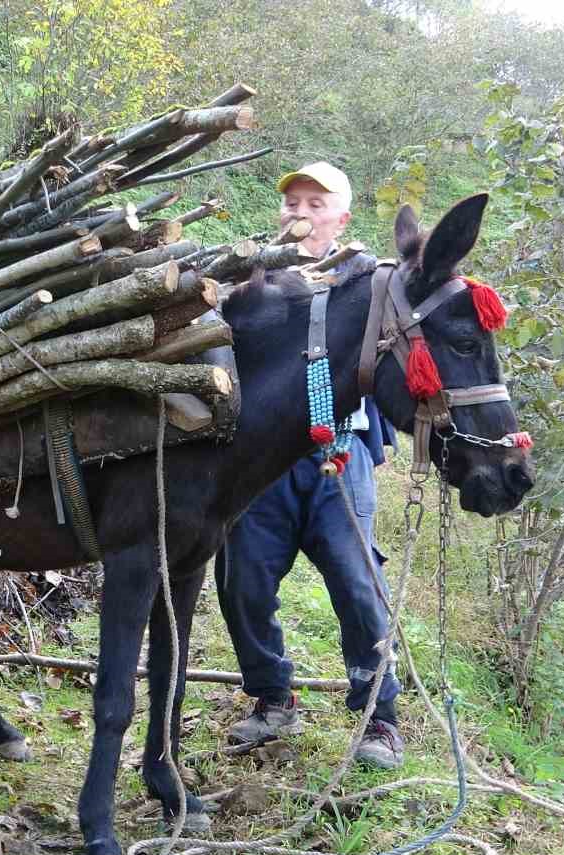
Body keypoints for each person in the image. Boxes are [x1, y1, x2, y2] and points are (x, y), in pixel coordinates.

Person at [214, 161, 405, 768]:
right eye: (293, 201)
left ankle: (379, 716)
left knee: (356, 585)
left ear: (342, 218)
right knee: (242, 580)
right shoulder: (251, 279)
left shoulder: (369, 281)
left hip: (339, 458)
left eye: (315, 203)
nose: (300, 211)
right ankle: (272, 698)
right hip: (264, 464)